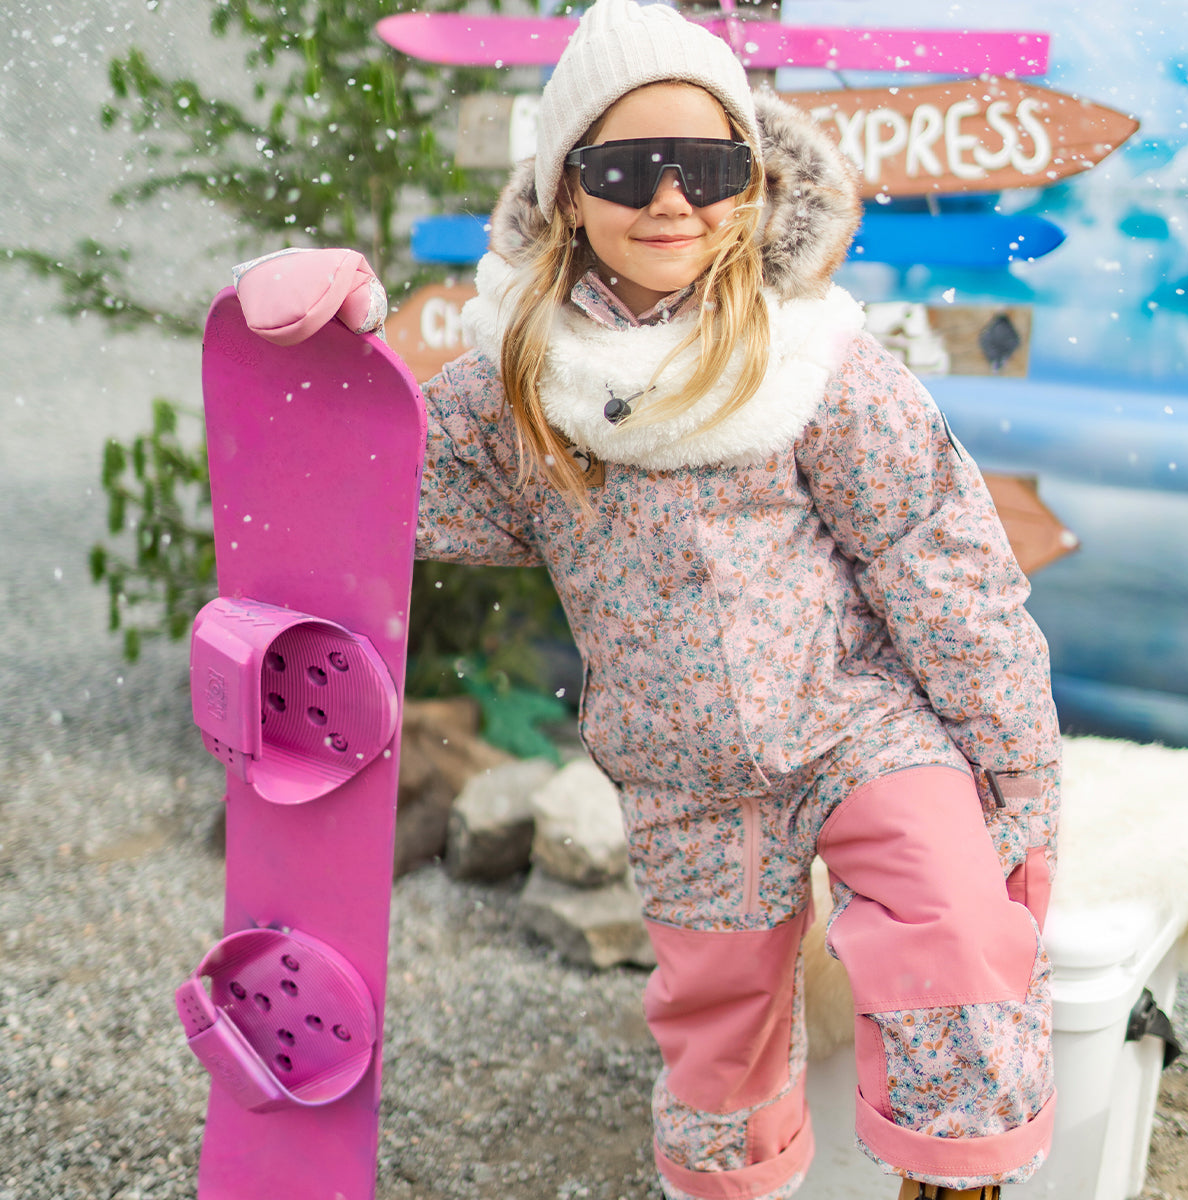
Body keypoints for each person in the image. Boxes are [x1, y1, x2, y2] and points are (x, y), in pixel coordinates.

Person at [236, 1, 1060, 1196]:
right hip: (682, 766)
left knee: (956, 923)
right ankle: (733, 1184)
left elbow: (937, 552)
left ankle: (955, 1175)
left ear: (754, 182)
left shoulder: (810, 357)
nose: (672, 199)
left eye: (712, 166)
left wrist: (1015, 754)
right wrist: (322, 355)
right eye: (627, 168)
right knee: (716, 1021)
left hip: (855, 719)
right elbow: (386, 489)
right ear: (568, 191)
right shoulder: (525, 381)